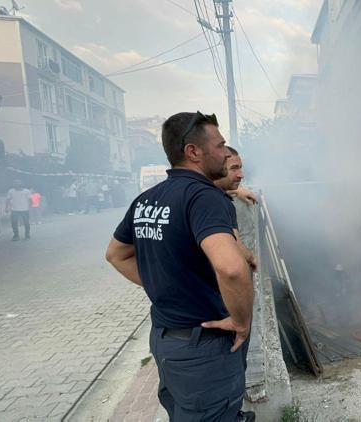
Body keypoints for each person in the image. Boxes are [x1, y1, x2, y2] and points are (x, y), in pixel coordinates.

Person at [105, 111, 255, 422]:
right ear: (193, 152)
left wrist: (167, 286)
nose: (226, 153)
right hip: (205, 348)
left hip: (165, 340)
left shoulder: (146, 200)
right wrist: (241, 322)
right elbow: (232, 268)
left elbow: (116, 255)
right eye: (220, 145)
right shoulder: (205, 198)